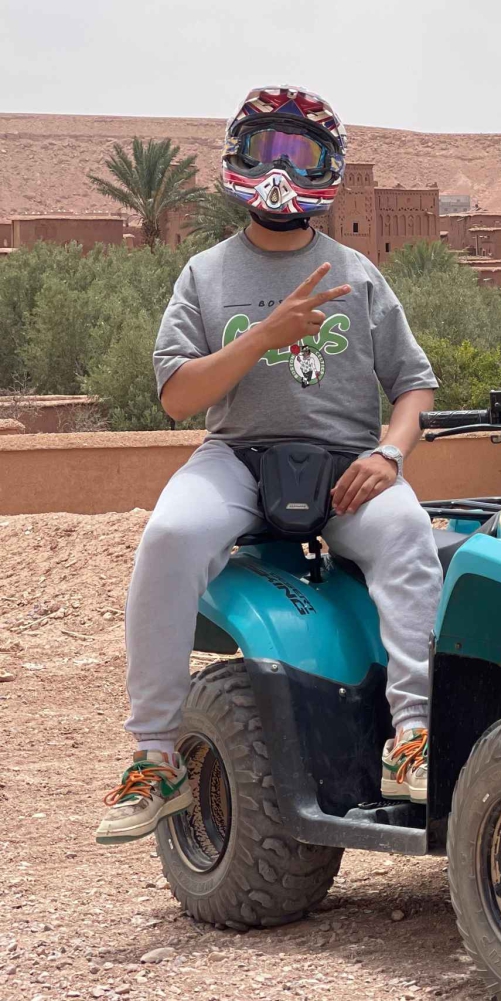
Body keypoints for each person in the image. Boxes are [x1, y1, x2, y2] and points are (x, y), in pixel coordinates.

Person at [96, 86, 443, 844]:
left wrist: (391, 453)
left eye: (302, 154)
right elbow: (178, 395)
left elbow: (414, 383)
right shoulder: (205, 275)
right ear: (239, 157)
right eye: (268, 151)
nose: (282, 172)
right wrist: (267, 333)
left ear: (330, 170)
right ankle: (156, 756)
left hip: (348, 463)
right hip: (238, 459)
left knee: (411, 538)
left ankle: (412, 740)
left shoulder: (358, 272)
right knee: (169, 537)